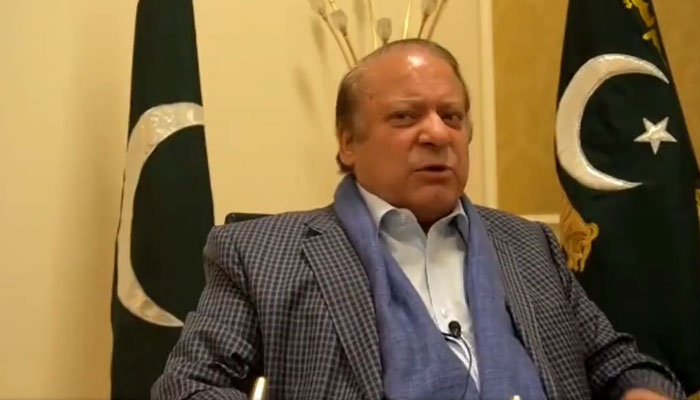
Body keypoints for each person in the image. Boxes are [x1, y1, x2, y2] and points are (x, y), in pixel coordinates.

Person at [152, 39, 684, 400]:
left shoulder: (528, 245)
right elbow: (188, 387)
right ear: (348, 142)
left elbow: (618, 363)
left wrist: (642, 390)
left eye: (452, 116)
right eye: (405, 117)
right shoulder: (262, 253)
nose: (437, 134)